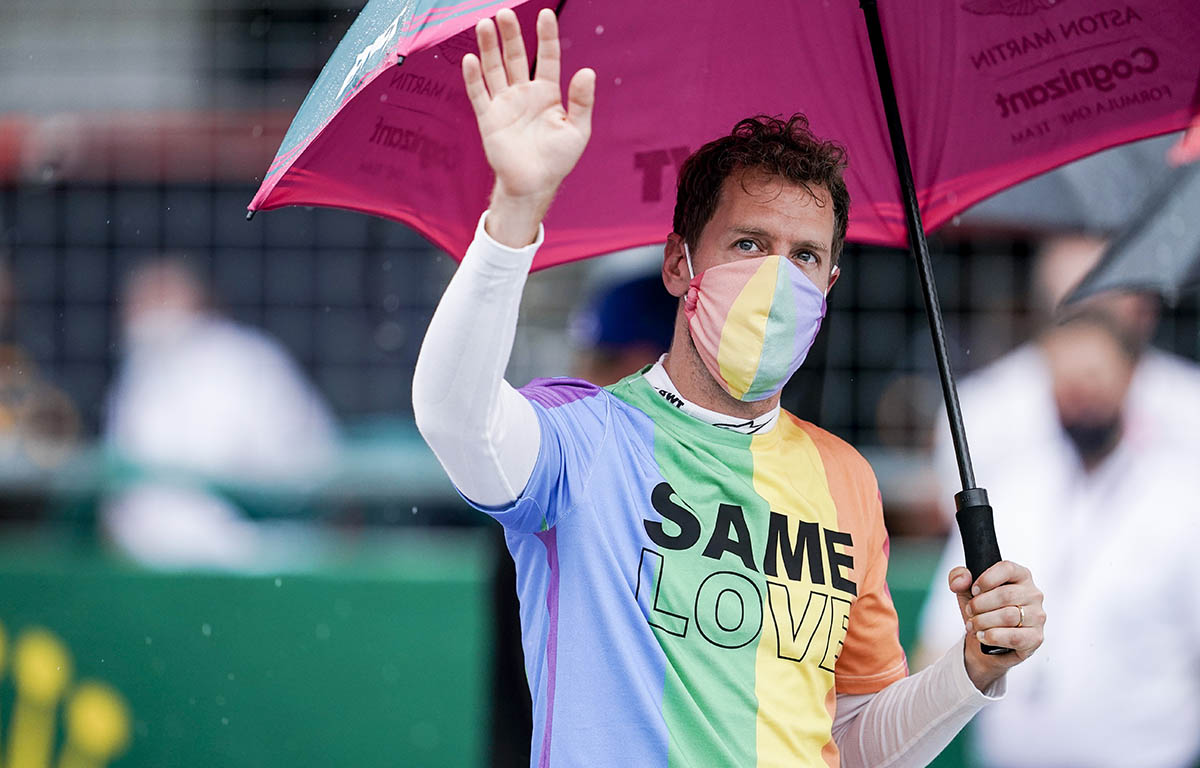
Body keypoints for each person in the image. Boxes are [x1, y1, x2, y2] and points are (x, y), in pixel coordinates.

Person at [413, 9, 1045, 765]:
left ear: (832, 282)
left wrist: (973, 670)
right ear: (680, 264)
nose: (777, 279)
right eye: (749, 244)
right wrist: (514, 207)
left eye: (804, 256)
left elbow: (860, 740)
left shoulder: (843, 477)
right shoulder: (582, 436)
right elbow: (454, 418)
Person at [918, 237, 1200, 768]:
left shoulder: (1182, 494)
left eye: (1098, 372)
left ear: (1133, 373)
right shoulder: (1011, 486)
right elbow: (938, 642)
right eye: (1068, 374)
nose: (1083, 389)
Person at [103, 258, 338, 568]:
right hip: (158, 555)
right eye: (138, 301)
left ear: (196, 300)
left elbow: (235, 462)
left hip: (261, 537)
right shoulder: (140, 368)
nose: (144, 314)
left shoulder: (237, 355)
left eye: (160, 296)